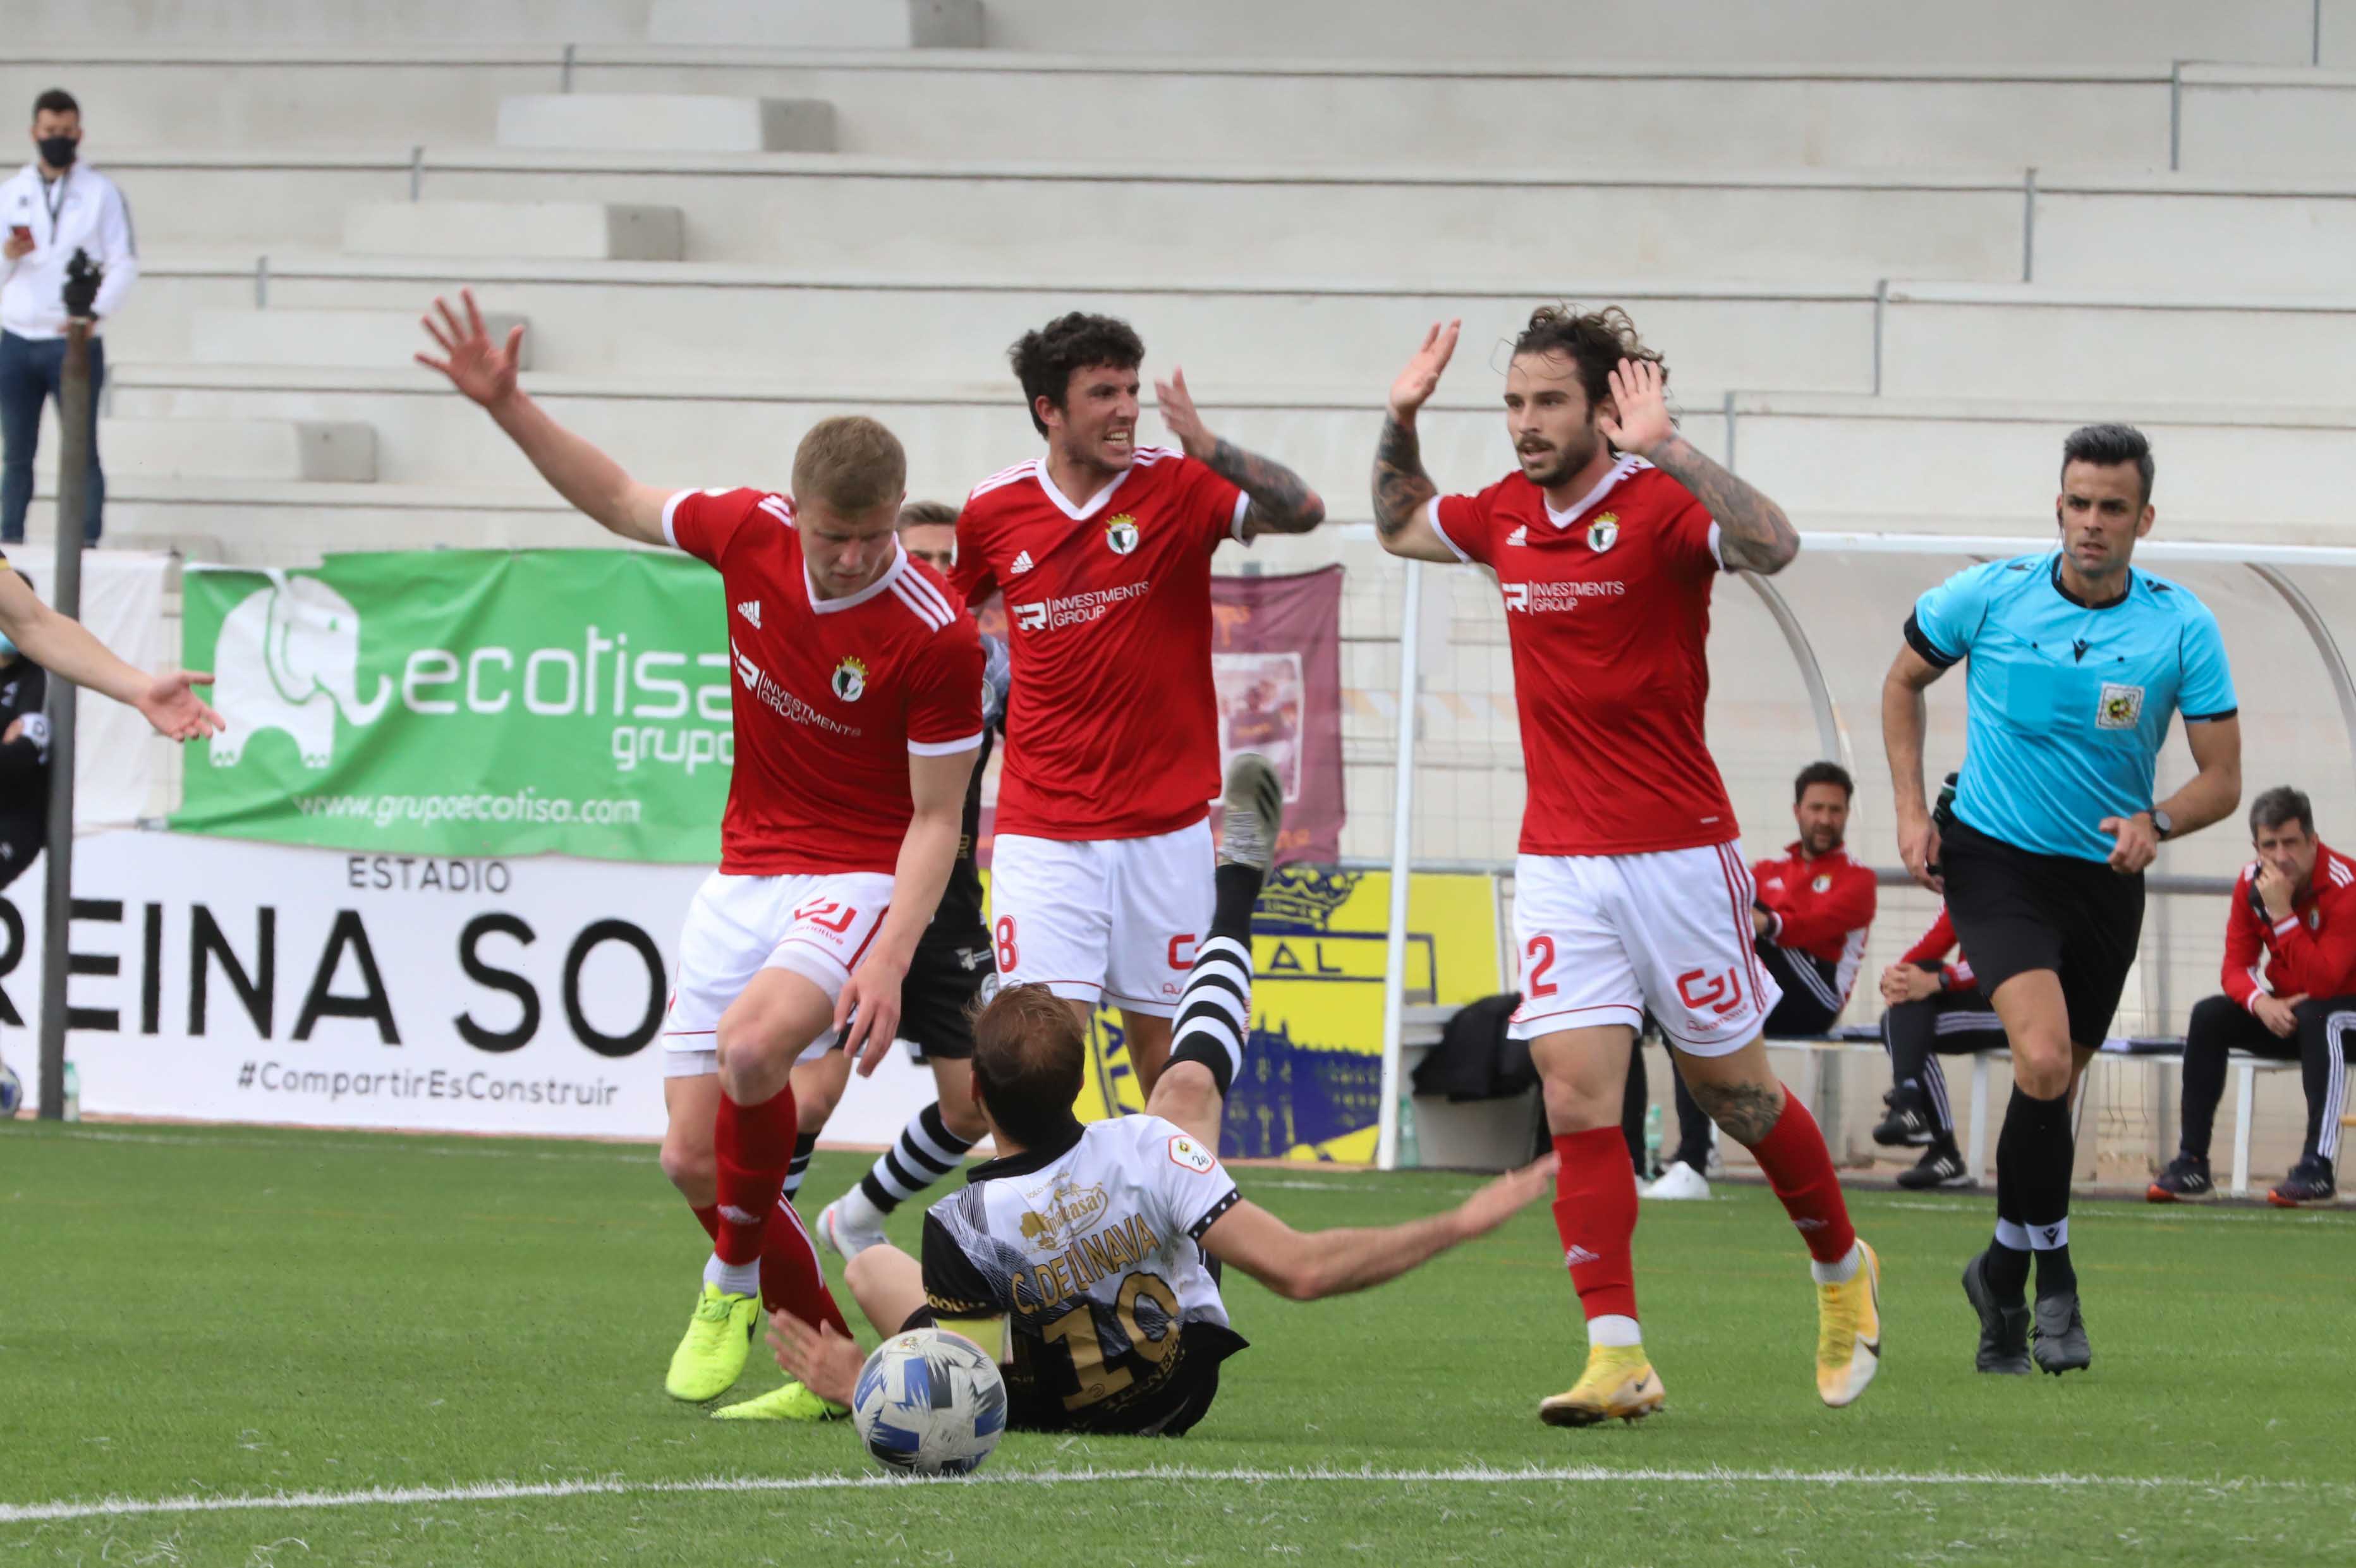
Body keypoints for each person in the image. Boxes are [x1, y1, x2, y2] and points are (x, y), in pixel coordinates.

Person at [414, 292, 984, 1421]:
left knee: (753, 1049)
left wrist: (887, 957)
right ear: (798, 511)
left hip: (853, 875)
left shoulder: (935, 634)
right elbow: (620, 496)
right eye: (837, 535)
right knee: (688, 1158)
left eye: (874, 535)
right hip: (744, 873)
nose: (857, 556)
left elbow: (936, 820)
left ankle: (725, 1285)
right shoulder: (747, 531)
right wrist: (507, 405)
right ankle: (827, 1364)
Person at [1371, 305, 1882, 1424]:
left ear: (1604, 408)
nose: (1523, 425)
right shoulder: (1504, 513)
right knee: (1573, 1093)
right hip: (1559, 858)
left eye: (1546, 402)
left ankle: (1842, 1271)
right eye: (1510, 404)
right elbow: (1400, 522)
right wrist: (1401, 416)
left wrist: (1671, 448)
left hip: (1679, 858)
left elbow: (1773, 544)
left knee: (1738, 1098)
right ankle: (1616, 1353)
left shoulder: (1657, 506)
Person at [765, 757, 1555, 1437]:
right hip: (1174, 1396)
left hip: (1037, 1411)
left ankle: (855, 1230)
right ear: (1084, 1079)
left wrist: (863, 1378)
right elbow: (1304, 1270)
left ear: (974, 1089)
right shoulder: (1146, 1147)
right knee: (1186, 1084)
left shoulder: (959, 1224)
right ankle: (1237, 887)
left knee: (868, 1270)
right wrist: (1458, 1220)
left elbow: (970, 1385)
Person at [1883, 422, 2240, 1377]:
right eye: (2078, 503)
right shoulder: (1988, 596)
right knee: (2040, 1059)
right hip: (1996, 864)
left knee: (2054, 1086)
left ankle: (2001, 1275)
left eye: (2113, 508)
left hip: (2105, 884)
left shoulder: (2180, 625)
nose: (2092, 523)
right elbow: (1902, 682)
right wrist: (1914, 810)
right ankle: (2060, 1285)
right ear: (2058, 506)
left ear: (2144, 518)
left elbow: (2223, 779)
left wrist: (2156, 824)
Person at [951, 312, 1325, 1110]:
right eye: (1102, 393)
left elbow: (1302, 511)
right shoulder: (992, 510)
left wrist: (1208, 446)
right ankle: (1056, 1235)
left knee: (1169, 1068)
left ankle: (1182, 1235)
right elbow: (948, 617)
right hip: (1045, 835)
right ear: (1048, 409)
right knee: (1037, 1067)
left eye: (1130, 389)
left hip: (1164, 832)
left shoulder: (1179, 483)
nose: (1125, 408)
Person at [786, 504, 1009, 1258]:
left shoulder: (991, 665)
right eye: (922, 556)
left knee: (976, 1106)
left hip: (946, 914)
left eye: (951, 559)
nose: (939, 572)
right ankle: (760, 1257)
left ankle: (854, 1215)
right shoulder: (856, 653)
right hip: (855, 899)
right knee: (810, 1098)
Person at [1647, 760, 1879, 1201]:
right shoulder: (1768, 869)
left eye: (1835, 809)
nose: (1825, 819)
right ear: (1797, 811)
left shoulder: (1859, 878)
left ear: (1847, 813)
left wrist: (1763, 920)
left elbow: (1811, 926)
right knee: (1686, 1018)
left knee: (1745, 927)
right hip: (1765, 985)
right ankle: (1693, 1159)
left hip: (1814, 996)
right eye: (1816, 808)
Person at [2151, 787, 2356, 1207]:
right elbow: (2235, 967)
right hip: (2294, 1011)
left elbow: (2325, 981)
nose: (2281, 857)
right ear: (2256, 847)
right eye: (2270, 845)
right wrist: (2262, 1003)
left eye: (2291, 843)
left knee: (2324, 1015)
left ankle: (2318, 1167)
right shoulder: (2250, 882)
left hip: (2343, 1011)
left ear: (2313, 841)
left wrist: (2281, 914)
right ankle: (2192, 1163)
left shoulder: (2346, 884)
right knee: (2209, 1015)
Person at [1, 88, 138, 545]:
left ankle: (85, 542)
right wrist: (8, 255)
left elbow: (123, 260)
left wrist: (93, 312)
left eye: (65, 132)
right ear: (34, 134)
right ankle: (9, 542)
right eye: (49, 132)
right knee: (17, 452)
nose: (58, 139)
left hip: (72, 337)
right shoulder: (12, 193)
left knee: (81, 450)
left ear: (79, 133)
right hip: (18, 338)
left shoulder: (100, 193)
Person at [1874, 904, 2003, 1189]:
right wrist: (1896, 979)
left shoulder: (2012, 875)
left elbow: (2005, 956)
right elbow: (1935, 940)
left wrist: (1942, 980)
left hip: (2032, 1009)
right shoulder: (1964, 880)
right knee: (1906, 1015)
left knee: (1909, 1029)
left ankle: (1927, 1129)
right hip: (1988, 995)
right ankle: (1914, 1112)